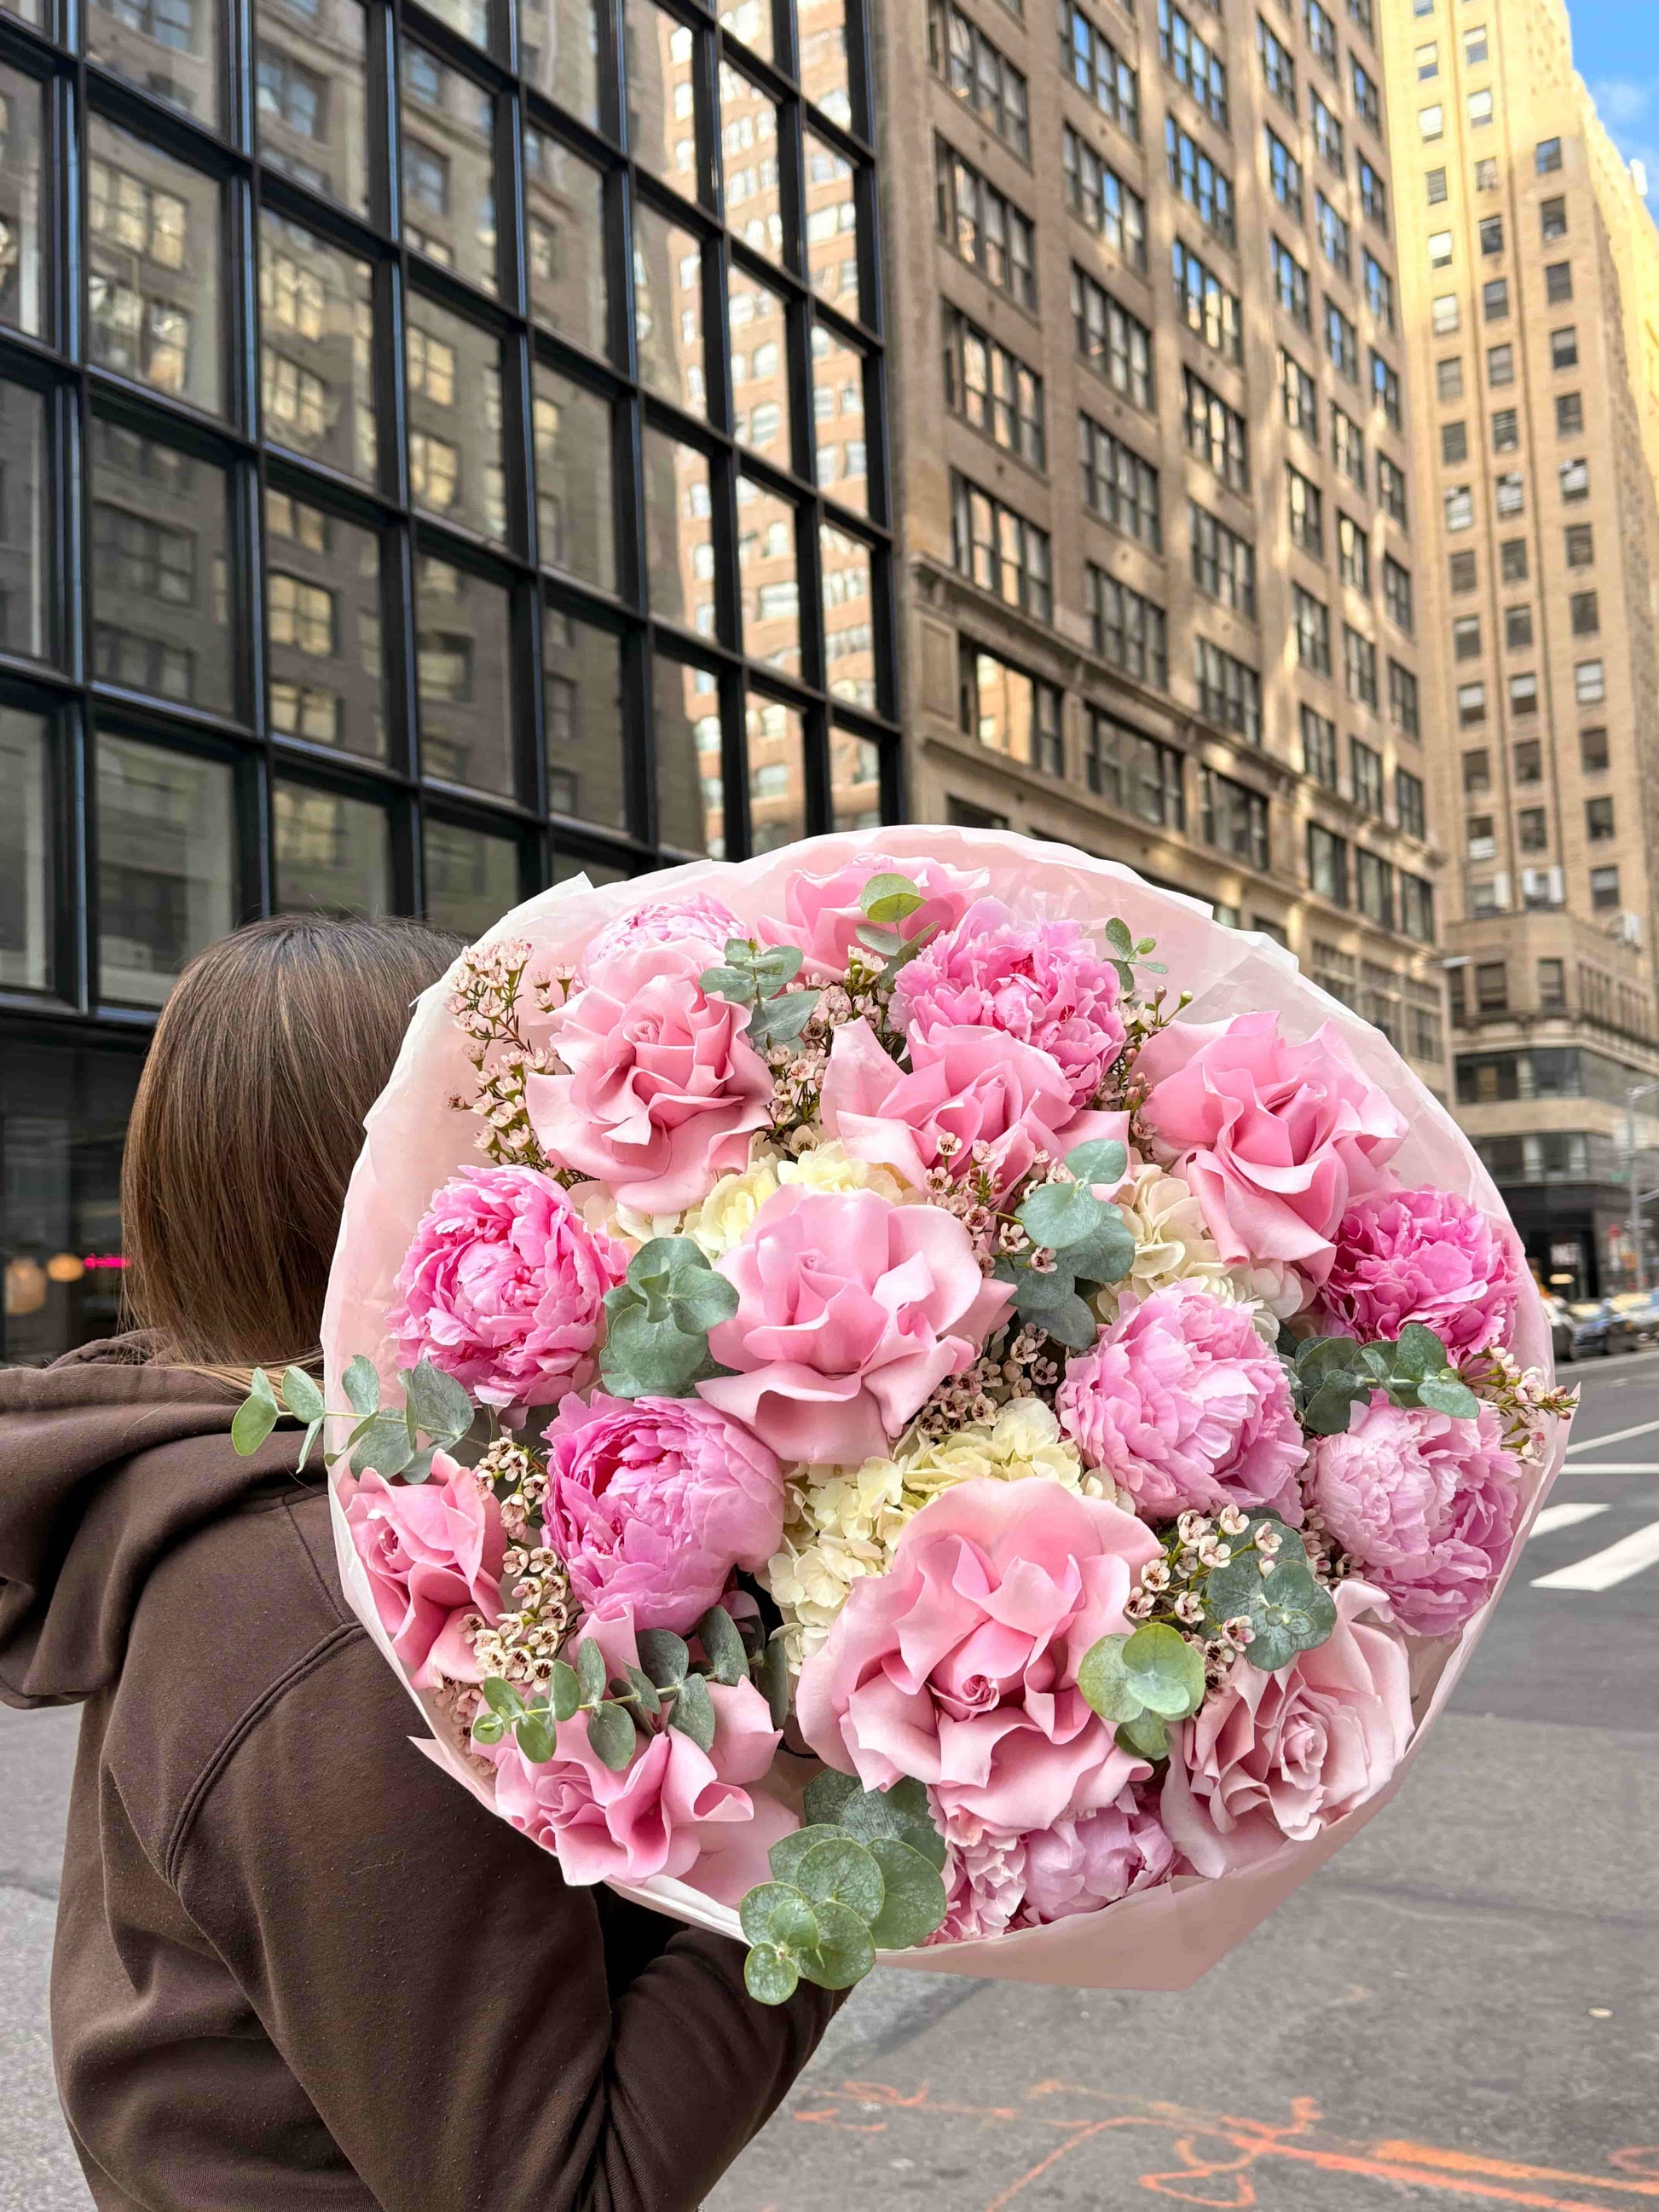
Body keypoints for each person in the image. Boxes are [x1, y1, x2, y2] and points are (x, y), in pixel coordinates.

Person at [0, 915, 841, 2212]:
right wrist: (858, 1827)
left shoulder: (286, 1495)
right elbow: (566, 2189)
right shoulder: (324, 1600)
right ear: (424, 1181)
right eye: (529, 1120)